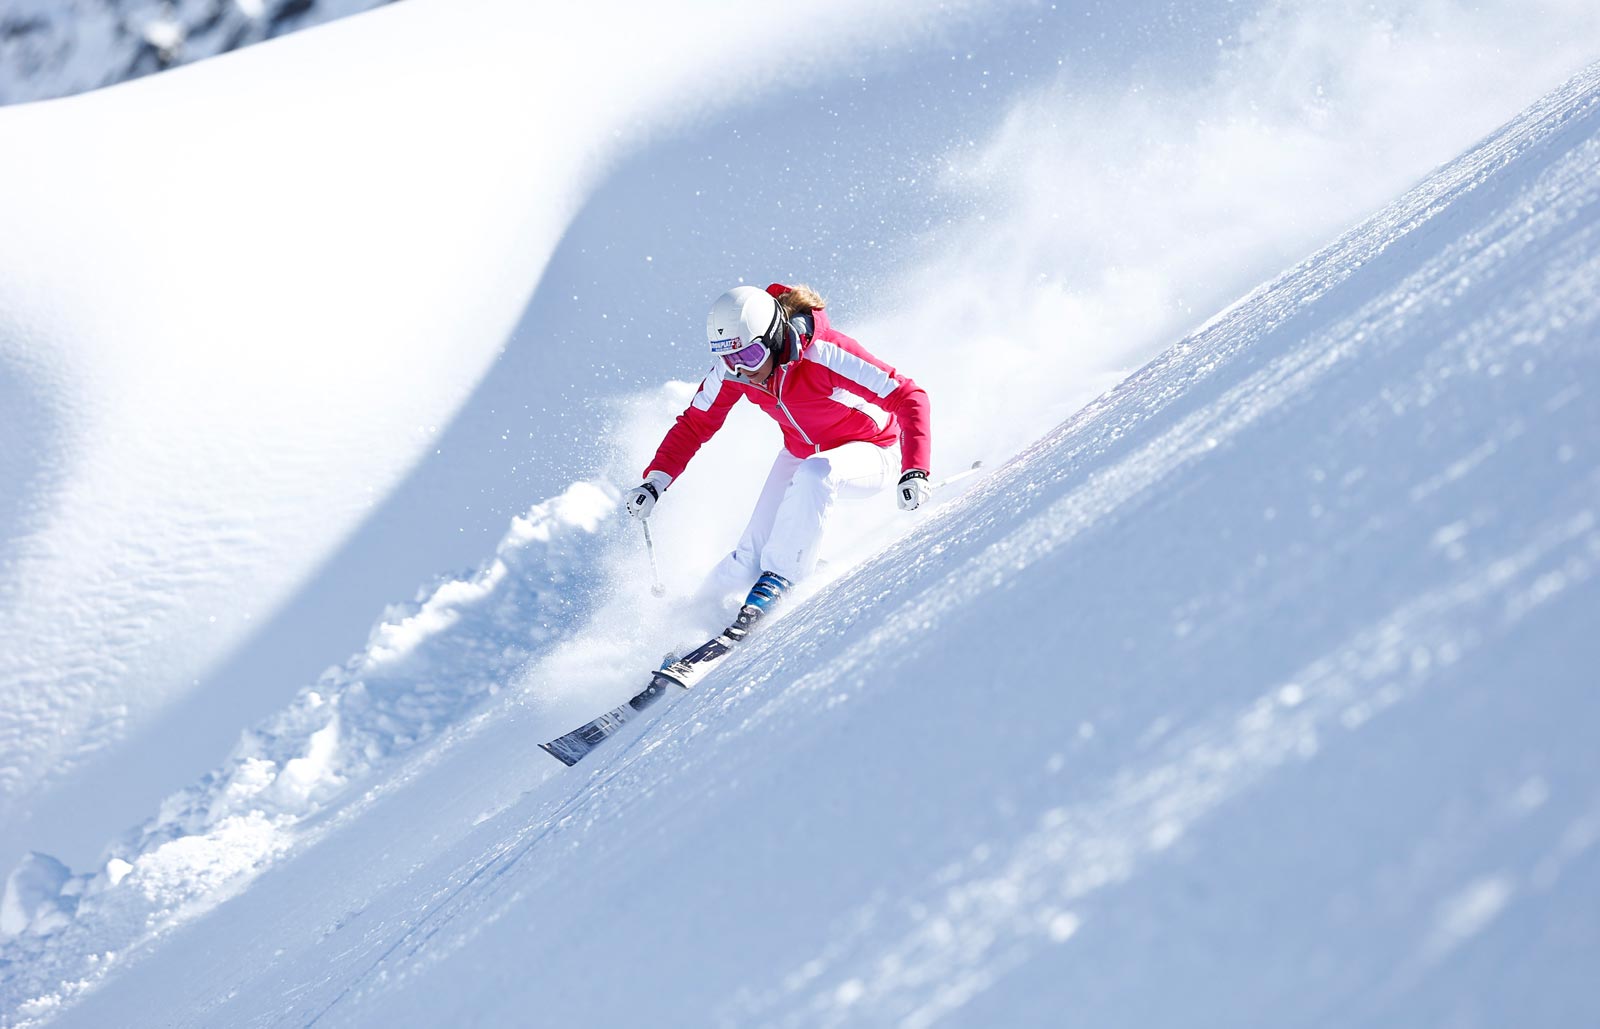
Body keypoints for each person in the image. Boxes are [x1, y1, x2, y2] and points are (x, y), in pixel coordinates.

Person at [624, 282, 932, 640]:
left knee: (818, 474)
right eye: (730, 360)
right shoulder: (736, 370)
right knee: (745, 562)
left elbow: (909, 396)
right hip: (803, 454)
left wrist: (915, 469)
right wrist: (655, 481)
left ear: (772, 337)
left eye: (750, 358)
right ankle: (681, 630)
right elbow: (695, 424)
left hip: (875, 451)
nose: (742, 371)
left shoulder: (825, 354)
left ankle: (782, 578)